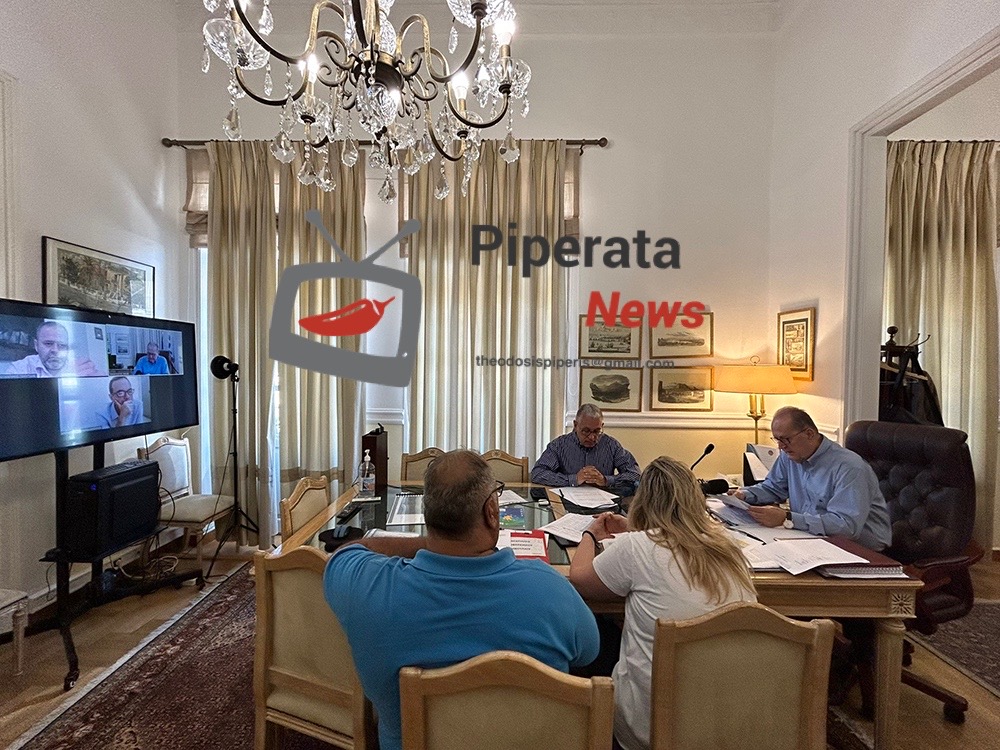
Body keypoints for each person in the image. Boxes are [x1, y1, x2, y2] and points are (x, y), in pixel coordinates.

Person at [323, 450, 600, 750]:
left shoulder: (366, 587)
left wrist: (430, 544)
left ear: (428, 515)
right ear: (491, 512)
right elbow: (589, 652)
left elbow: (346, 552)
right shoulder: (550, 589)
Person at [569, 456, 757, 750]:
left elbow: (580, 579)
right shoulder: (729, 549)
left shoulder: (636, 548)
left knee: (599, 634)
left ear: (642, 500)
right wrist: (636, 529)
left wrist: (590, 535)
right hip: (726, 725)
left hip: (651, 729)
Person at [729, 406, 892, 551]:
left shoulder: (850, 467)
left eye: (786, 439)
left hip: (860, 550)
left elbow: (846, 527)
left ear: (809, 434)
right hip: (812, 539)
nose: (781, 446)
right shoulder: (790, 455)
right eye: (777, 440)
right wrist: (744, 494)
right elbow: (773, 488)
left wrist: (788, 518)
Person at [530, 403, 640, 490]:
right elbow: (538, 473)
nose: (592, 437)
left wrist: (606, 480)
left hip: (603, 503)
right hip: (567, 502)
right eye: (586, 431)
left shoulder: (611, 445)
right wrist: (573, 479)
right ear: (575, 425)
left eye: (597, 431)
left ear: (602, 426)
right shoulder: (559, 445)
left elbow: (635, 474)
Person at [3, 321, 99, 377]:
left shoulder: (80, 367)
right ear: (36, 345)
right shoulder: (20, 368)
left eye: (62, 345)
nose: (55, 350)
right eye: (48, 344)